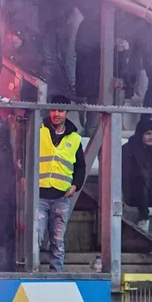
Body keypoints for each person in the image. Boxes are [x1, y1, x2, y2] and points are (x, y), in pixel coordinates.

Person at [36, 98, 83, 271]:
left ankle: (56, 273)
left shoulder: (75, 138)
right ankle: (32, 272)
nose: (56, 114)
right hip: (39, 195)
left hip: (62, 196)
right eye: (54, 110)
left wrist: (75, 185)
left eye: (61, 111)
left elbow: (80, 166)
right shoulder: (39, 130)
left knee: (58, 239)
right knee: (36, 237)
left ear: (67, 113)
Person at [121, 119, 152, 221]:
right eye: (148, 133)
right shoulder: (127, 149)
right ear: (140, 133)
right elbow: (126, 175)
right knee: (141, 179)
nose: (151, 137)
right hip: (134, 192)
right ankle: (143, 220)